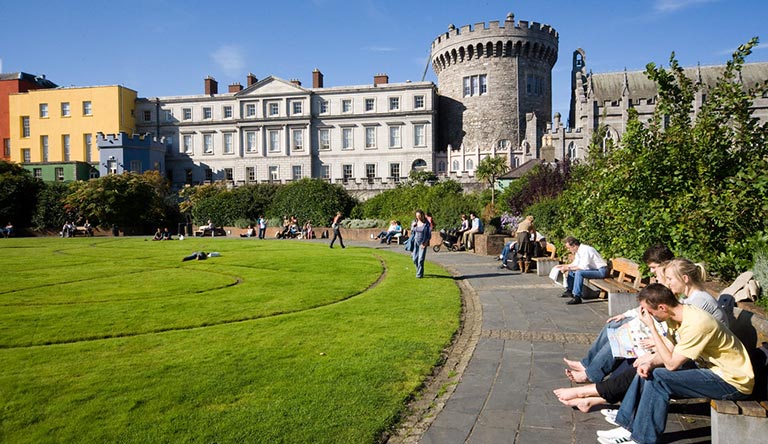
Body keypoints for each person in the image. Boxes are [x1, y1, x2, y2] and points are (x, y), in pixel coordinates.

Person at [596, 284, 754, 444]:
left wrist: (651, 327)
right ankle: (627, 427)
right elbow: (669, 351)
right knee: (647, 371)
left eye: (649, 312)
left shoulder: (697, 324)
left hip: (732, 381)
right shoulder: (675, 317)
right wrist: (650, 363)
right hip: (711, 370)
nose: (647, 315)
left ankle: (642, 439)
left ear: (662, 307)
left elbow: (671, 365)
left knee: (659, 378)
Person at [562, 245, 675, 383]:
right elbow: (647, 306)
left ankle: (591, 374)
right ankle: (586, 363)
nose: (651, 272)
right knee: (613, 324)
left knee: (620, 335)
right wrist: (626, 314)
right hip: (647, 321)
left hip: (655, 329)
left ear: (664, 264)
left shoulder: (670, 284)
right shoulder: (664, 281)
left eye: (653, 267)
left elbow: (665, 315)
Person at [556, 236, 609, 305]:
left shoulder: (586, 250)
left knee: (579, 273)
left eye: (569, 248)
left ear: (574, 246)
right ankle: (570, 290)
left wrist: (567, 268)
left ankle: (577, 297)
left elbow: (582, 267)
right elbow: (575, 263)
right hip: (594, 270)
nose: (568, 250)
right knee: (572, 271)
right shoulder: (579, 251)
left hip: (601, 271)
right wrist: (564, 266)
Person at [411, 209, 432, 278]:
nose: (418, 217)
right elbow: (412, 232)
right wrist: (413, 226)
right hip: (415, 242)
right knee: (414, 259)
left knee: (421, 259)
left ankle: (419, 274)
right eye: (417, 216)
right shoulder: (414, 222)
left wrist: (426, 242)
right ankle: (418, 270)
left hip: (423, 243)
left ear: (422, 215)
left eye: (419, 215)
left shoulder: (427, 224)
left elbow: (429, 234)